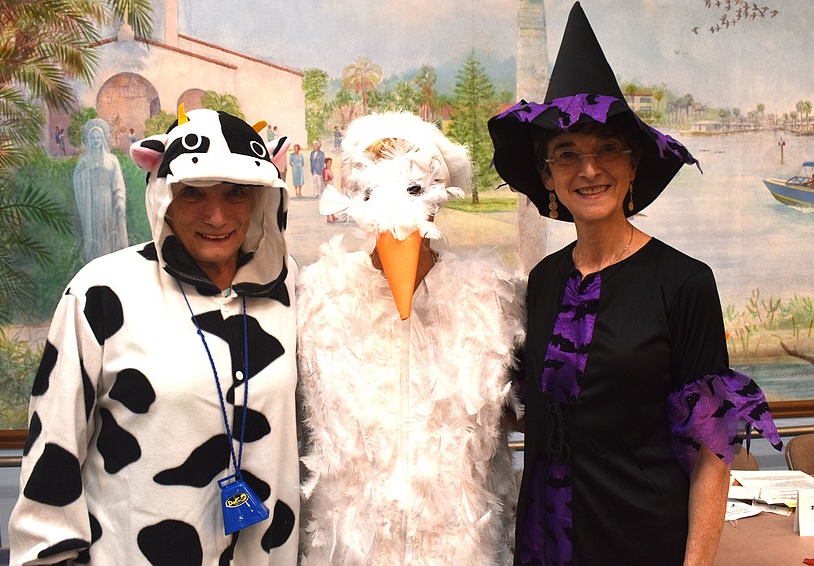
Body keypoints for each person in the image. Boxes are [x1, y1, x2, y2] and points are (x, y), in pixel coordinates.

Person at [487, 4, 782, 566]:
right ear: (548, 177)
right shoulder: (544, 280)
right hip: (545, 542)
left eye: (606, 149)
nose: (588, 169)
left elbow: (712, 453)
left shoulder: (685, 283)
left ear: (633, 165)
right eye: (567, 155)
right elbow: (527, 408)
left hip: (643, 544)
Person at [9, 106, 299, 565]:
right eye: (193, 193)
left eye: (235, 193)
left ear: (261, 197)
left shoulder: (291, 289)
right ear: (163, 194)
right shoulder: (101, 293)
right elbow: (54, 450)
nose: (217, 216)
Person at [298, 112, 523, 565]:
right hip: (350, 552)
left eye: (414, 188)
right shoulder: (319, 296)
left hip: (460, 551)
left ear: (438, 197)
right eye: (372, 189)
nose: (395, 210)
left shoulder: (488, 298)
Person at [72, 118, 129, 263]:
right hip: (91, 202)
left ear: (103, 138)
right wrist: (86, 171)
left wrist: (120, 200)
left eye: (98, 137)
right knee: (95, 232)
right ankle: (94, 261)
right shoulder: (84, 161)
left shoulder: (112, 159)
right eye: (92, 138)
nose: (96, 140)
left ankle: (110, 261)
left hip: (108, 201)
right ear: (88, 140)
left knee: (108, 231)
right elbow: (77, 180)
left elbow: (118, 182)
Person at [321, 157, 336, 222]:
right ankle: (328, 218)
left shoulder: (329, 169)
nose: (330, 164)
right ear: (326, 163)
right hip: (328, 187)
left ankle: (333, 216)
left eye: (331, 162)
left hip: (331, 186)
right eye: (329, 162)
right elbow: (325, 181)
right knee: (328, 203)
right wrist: (328, 189)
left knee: (331, 202)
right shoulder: (325, 170)